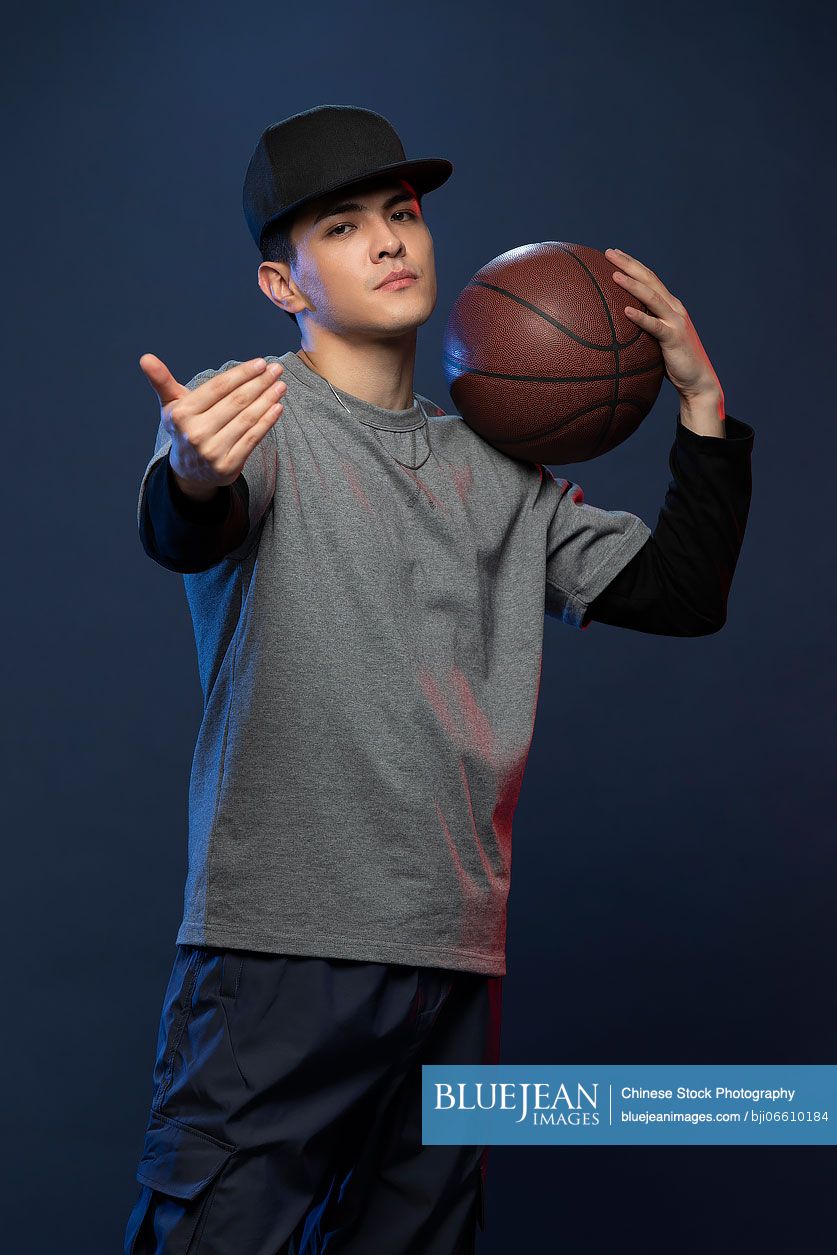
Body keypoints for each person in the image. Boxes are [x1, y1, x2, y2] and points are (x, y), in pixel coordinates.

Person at [124, 105, 754, 1254]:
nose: (387, 239)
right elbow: (188, 522)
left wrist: (704, 415)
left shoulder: (502, 466)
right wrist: (189, 475)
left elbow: (680, 594)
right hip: (282, 952)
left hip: (455, 961)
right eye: (343, 224)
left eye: (402, 213)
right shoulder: (253, 415)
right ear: (284, 283)